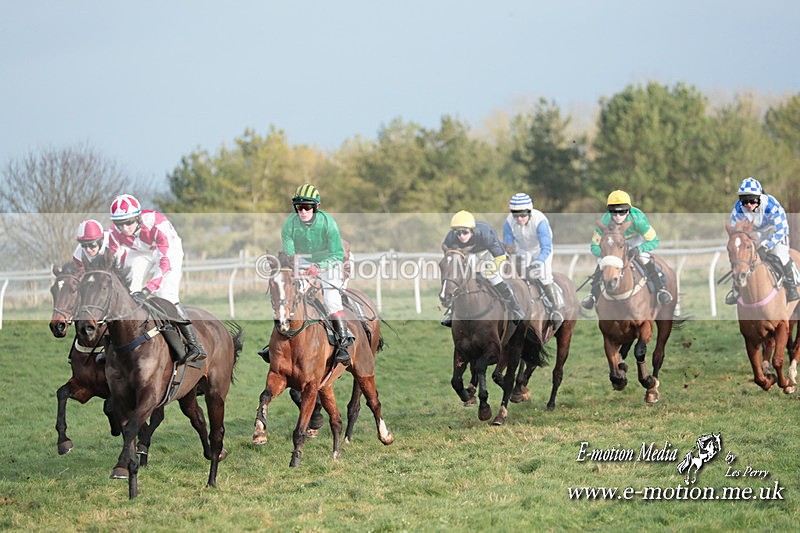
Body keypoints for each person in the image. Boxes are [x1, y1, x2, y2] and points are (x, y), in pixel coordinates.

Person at [106, 193, 206, 364]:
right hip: (140, 252)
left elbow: (164, 264)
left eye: (129, 222)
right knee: (128, 290)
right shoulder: (114, 233)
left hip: (168, 252)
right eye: (119, 223)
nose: (124, 228)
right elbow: (113, 263)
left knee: (166, 295)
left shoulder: (157, 224)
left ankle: (195, 344)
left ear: (138, 217)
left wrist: (147, 290)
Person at [278, 183, 353, 365]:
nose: (303, 211)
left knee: (330, 299)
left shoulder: (328, 223)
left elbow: (337, 255)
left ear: (316, 207)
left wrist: (318, 268)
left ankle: (343, 342)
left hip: (333, 259)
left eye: (307, 207)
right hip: (305, 259)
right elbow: (290, 253)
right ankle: (277, 342)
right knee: (289, 293)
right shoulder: (289, 225)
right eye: (299, 207)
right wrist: (296, 266)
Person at [581, 190, 672, 310]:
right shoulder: (604, 221)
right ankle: (593, 295)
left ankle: (660, 290)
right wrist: (607, 255)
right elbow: (594, 246)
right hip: (614, 244)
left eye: (622, 212)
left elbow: (655, 241)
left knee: (644, 258)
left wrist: (639, 249)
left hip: (635, 240)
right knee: (602, 262)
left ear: (628, 210)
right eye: (614, 213)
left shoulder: (639, 220)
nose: (618, 216)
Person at [440, 210, 525, 327]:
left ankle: (515, 308)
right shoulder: (450, 237)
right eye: (458, 233)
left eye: (465, 232)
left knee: (491, 275)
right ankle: (451, 311)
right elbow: (450, 257)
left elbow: (500, 257)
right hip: (469, 254)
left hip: (489, 252)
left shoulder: (486, 233)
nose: (461, 236)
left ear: (472, 229)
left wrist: (489, 270)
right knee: (463, 278)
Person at [725, 177, 799, 304]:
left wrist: (767, 245)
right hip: (755, 233)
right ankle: (736, 288)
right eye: (744, 200)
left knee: (780, 254)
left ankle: (792, 287)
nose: (748, 204)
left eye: (752, 199)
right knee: (742, 259)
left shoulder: (771, 205)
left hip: (776, 231)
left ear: (759, 197)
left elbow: (781, 228)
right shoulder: (737, 209)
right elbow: (735, 234)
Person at [502, 193, 564, 329]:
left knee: (542, 275)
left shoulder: (540, 221)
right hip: (522, 250)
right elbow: (509, 245)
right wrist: (510, 249)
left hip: (541, 250)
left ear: (529, 212)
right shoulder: (508, 222)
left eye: (522, 215)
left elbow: (546, 248)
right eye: (516, 216)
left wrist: (536, 263)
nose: (519, 219)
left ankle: (555, 310)